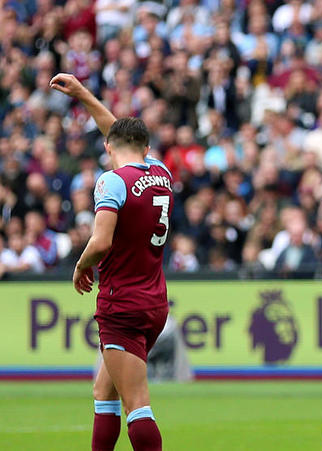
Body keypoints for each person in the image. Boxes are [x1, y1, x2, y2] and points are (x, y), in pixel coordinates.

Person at [51, 73, 172, 451]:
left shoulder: (111, 182)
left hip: (122, 303)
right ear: (147, 148)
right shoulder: (162, 174)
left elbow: (101, 241)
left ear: (107, 147)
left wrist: (81, 265)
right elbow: (120, 136)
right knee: (104, 389)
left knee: (136, 403)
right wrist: (85, 95)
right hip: (155, 301)